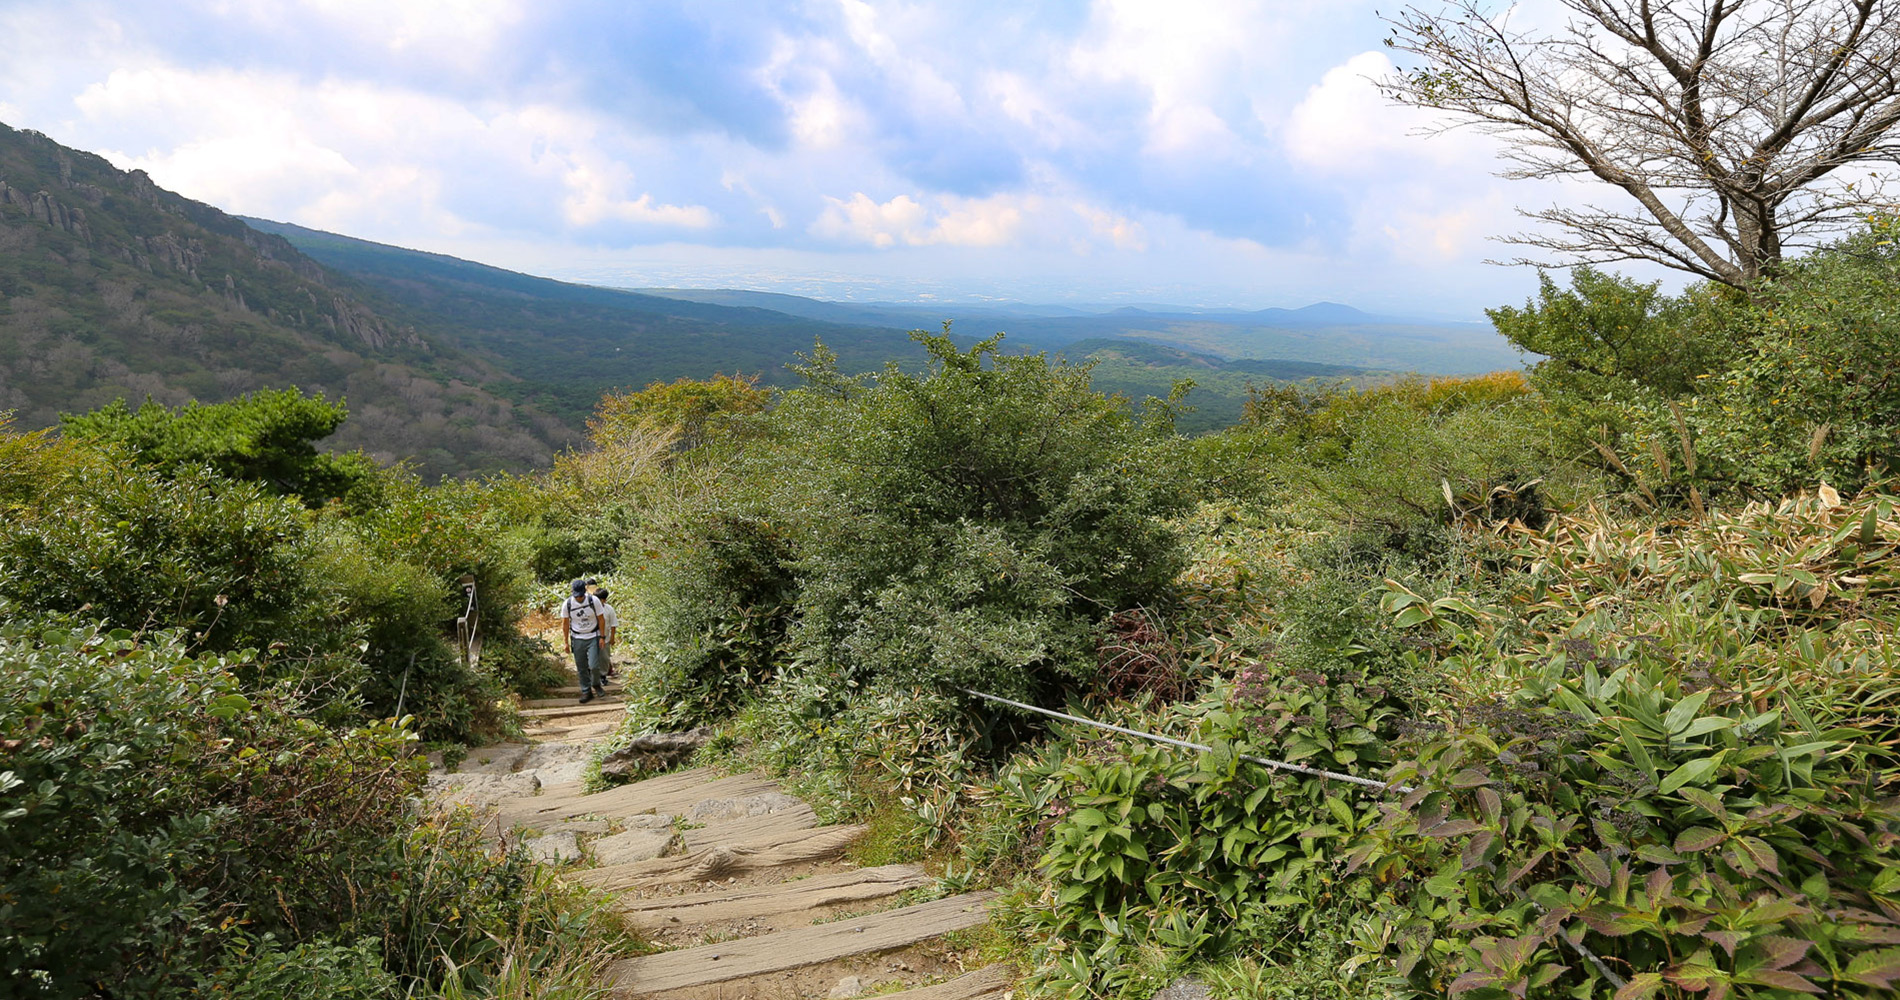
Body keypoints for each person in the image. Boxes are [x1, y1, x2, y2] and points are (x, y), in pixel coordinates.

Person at [557, 578, 607, 703]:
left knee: (594, 665)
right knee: (581, 667)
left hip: (593, 636)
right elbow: (565, 624)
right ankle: (586, 691)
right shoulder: (567, 604)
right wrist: (565, 642)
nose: (579, 598)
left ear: (584, 591)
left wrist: (602, 637)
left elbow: (601, 619)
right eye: (576, 596)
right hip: (577, 637)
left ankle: (596, 684)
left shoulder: (593, 600)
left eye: (580, 595)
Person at [593, 587, 619, 683]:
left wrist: (612, 637)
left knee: (604, 657)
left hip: (606, 637)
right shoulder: (591, 608)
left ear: (604, 600)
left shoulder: (609, 609)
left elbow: (613, 624)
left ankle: (603, 675)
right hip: (592, 637)